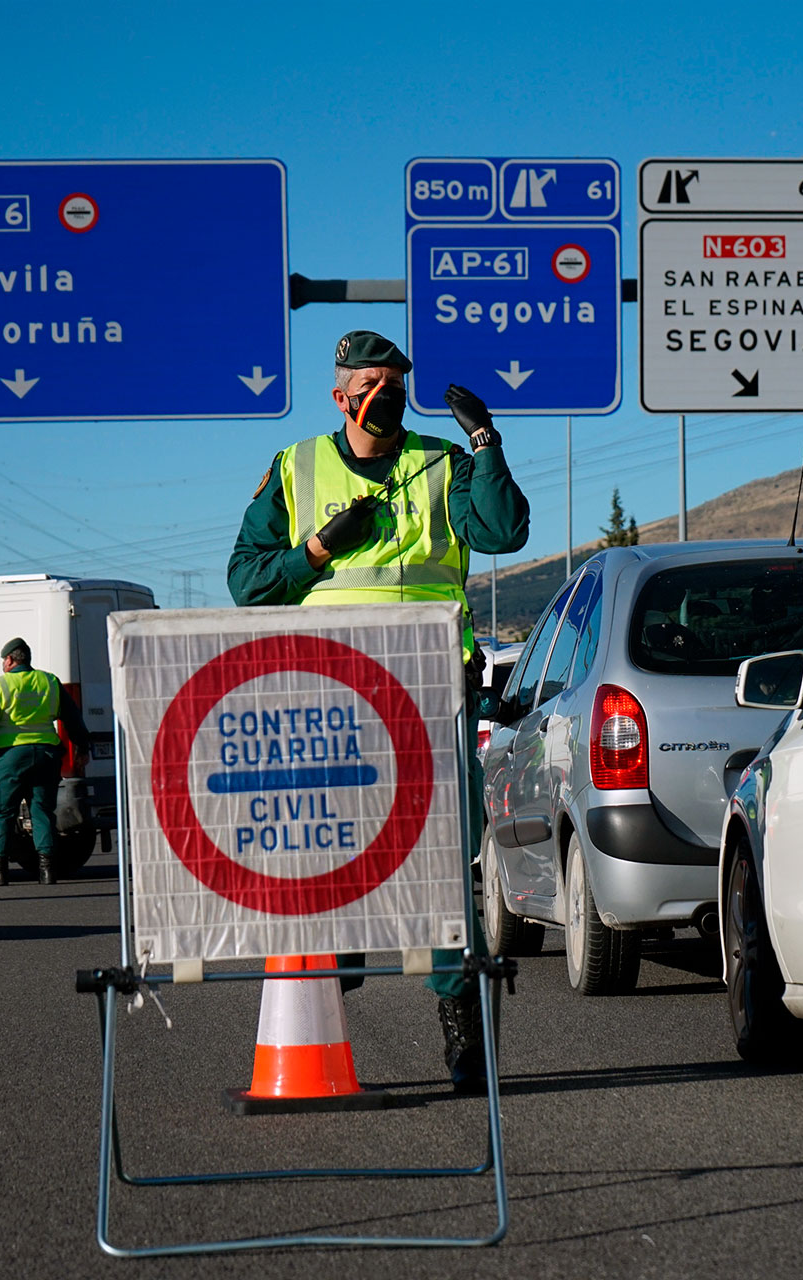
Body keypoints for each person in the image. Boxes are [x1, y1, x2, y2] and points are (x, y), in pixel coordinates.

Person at [228, 330, 530, 1092]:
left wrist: (485, 440)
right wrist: (320, 552)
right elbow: (247, 581)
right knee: (332, 862)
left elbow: (503, 530)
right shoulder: (297, 467)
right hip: (330, 702)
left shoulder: (443, 461)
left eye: (394, 380)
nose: (383, 393)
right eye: (368, 382)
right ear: (340, 395)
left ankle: (464, 1042)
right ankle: (340, 971)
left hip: (431, 698)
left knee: (442, 874)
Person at [0, 637, 91, 887]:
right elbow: (73, 718)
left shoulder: (2, 685)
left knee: (2, 813)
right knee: (42, 812)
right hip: (46, 756)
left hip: (11, 759)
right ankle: (47, 872)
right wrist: (82, 746)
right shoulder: (49, 682)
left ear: (9, 660)